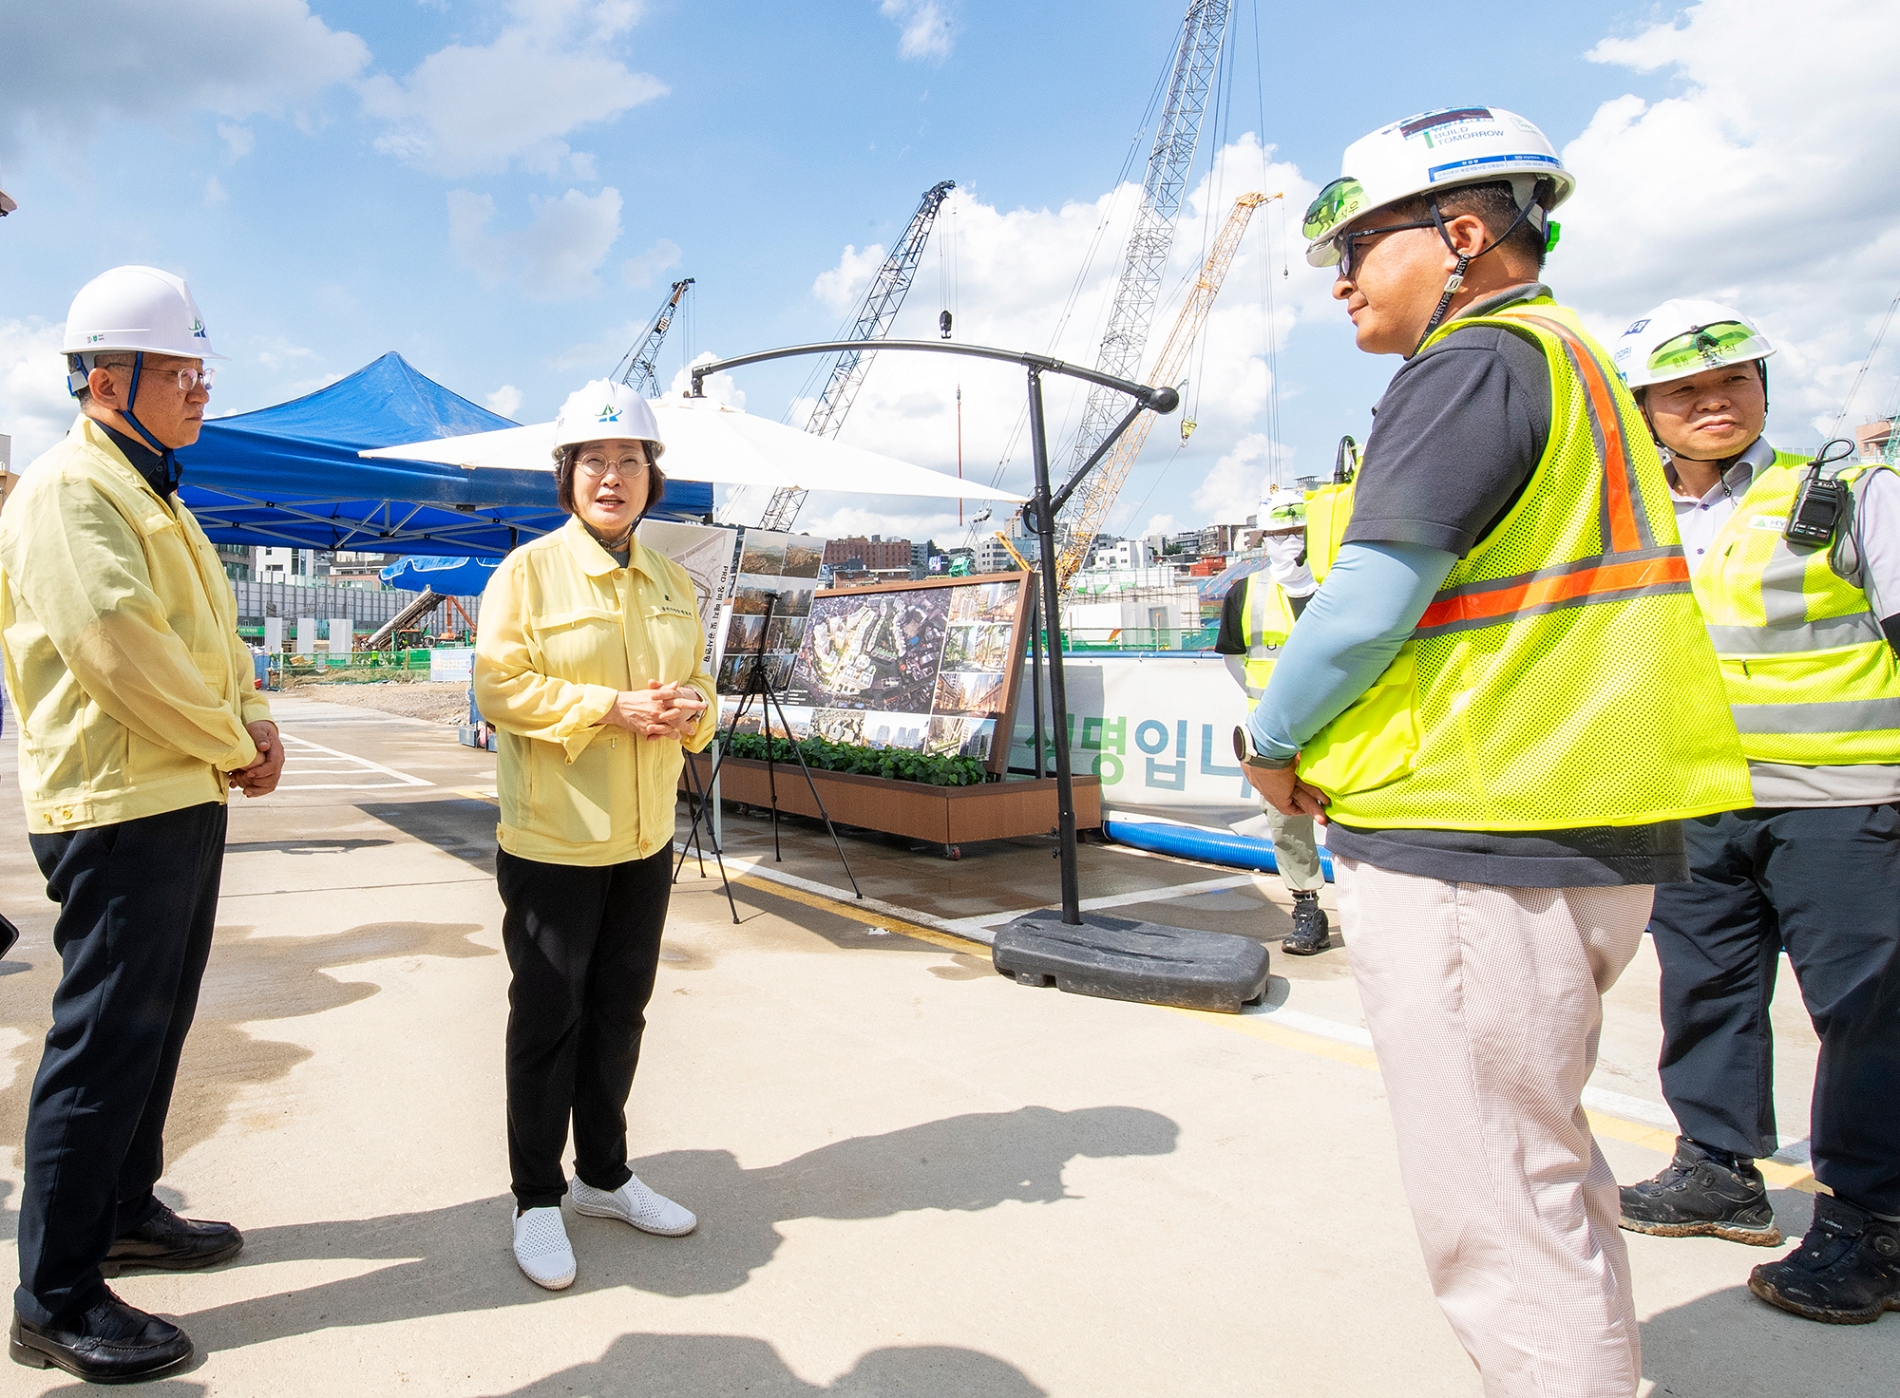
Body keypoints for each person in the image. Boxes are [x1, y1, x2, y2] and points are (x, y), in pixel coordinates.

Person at [1238, 108, 1752, 1396]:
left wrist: (1274, 734)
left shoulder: (1471, 363)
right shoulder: (1571, 359)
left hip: (1479, 834)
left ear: (1460, 236)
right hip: (1574, 816)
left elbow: (1365, 600)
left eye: (1357, 246)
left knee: (1497, 1206)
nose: (1341, 280)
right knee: (1543, 1162)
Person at [0, 266, 285, 1383]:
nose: (199, 391)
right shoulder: (72, 491)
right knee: (104, 1037)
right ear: (106, 378)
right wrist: (230, 739)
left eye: (199, 373)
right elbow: (118, 645)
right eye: (181, 373)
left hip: (175, 789)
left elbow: (213, 641)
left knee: (156, 1026)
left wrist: (250, 720)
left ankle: (122, 1208)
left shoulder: (157, 493)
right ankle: (53, 1294)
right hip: (116, 799)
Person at [1610, 300, 1900, 1325]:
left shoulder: (1849, 490)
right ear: (1644, 409)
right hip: (1695, 799)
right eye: (1682, 389)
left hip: (1843, 804)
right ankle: (1717, 1173)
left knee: (1867, 1016)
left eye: (1730, 380)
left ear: (1763, 388)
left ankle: (1875, 1224)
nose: (1711, 402)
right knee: (1705, 988)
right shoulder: (1628, 517)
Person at [474, 379, 716, 1291]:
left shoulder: (671, 581)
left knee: (620, 1013)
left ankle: (605, 1177)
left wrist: (691, 709)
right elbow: (499, 690)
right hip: (555, 840)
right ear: (566, 476)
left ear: (652, 478)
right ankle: (537, 1197)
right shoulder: (528, 573)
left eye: (628, 461)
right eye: (593, 462)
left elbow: (701, 691)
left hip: (645, 838)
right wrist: (609, 707)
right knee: (548, 1019)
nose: (611, 477)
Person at [1214, 488, 1330, 954]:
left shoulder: (1338, 581)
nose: (1290, 542)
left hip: (1347, 726)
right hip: (1276, 734)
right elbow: (1236, 662)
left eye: (1298, 532)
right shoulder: (1247, 592)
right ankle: (1307, 907)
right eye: (1279, 534)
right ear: (1263, 540)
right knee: (1286, 820)